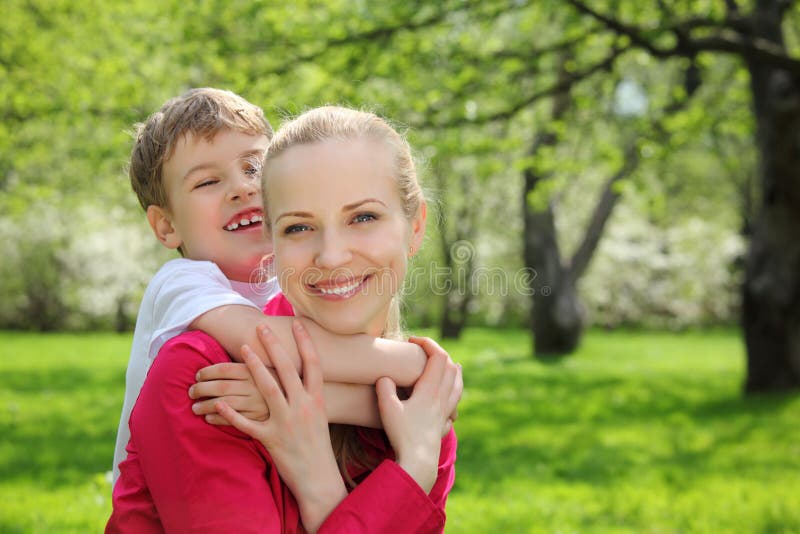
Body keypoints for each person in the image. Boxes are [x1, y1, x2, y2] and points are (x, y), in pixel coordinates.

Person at [107, 106, 462, 533]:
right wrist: (413, 468)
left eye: (363, 217)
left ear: (416, 226)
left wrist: (320, 485)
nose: (331, 256)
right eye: (298, 227)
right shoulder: (211, 375)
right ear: (271, 236)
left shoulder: (420, 410)